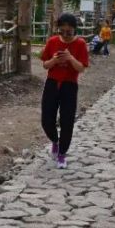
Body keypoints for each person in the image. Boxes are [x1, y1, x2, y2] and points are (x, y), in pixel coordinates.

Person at [40, 13, 89, 169]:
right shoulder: (52, 41)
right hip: (52, 83)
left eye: (69, 32)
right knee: (47, 119)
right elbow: (45, 65)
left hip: (69, 85)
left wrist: (70, 58)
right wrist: (54, 60)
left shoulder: (80, 44)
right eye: (62, 31)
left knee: (67, 121)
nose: (66, 35)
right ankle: (55, 139)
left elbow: (81, 68)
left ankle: (62, 153)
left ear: (74, 30)